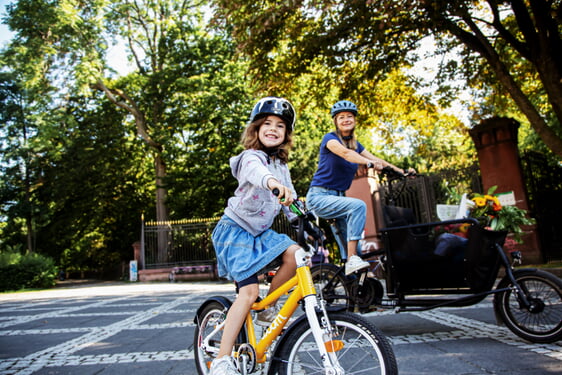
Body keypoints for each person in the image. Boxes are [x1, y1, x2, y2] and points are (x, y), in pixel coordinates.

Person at [209, 97, 302, 375]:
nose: (273, 129)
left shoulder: (282, 168)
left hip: (260, 234)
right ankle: (222, 360)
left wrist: (303, 218)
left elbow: (292, 202)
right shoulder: (250, 157)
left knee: (296, 253)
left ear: (286, 134)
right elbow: (257, 173)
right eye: (267, 124)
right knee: (248, 292)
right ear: (257, 129)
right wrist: (272, 183)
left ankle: (266, 309)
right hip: (234, 233)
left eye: (280, 126)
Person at [306, 100, 407, 276]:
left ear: (355, 120)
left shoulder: (356, 145)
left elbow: (377, 159)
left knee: (356, 248)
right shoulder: (330, 139)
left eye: (349, 116)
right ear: (336, 122)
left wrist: (401, 171)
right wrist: (368, 163)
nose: (346, 119)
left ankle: (356, 287)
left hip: (338, 199)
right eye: (341, 117)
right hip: (319, 197)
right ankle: (352, 259)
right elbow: (346, 154)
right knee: (358, 205)